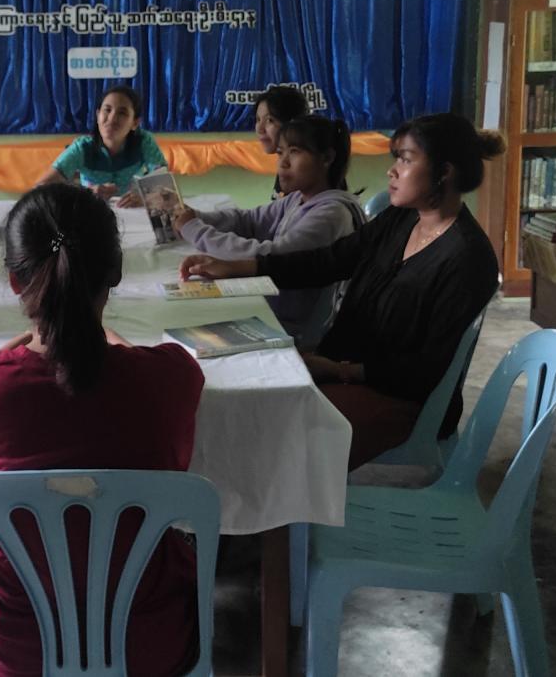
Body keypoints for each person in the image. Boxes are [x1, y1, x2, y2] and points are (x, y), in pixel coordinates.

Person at [0, 183, 205, 677]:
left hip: (14, 645)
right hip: (148, 639)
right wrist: (112, 340)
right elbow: (146, 372)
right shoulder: (171, 378)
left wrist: (24, 344)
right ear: (115, 273)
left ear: (15, 281)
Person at [180, 112, 502, 470]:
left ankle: (280, 506)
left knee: (266, 434)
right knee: (227, 392)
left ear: (445, 172)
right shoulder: (402, 219)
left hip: (398, 397)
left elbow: (425, 370)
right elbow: (329, 260)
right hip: (343, 367)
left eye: (406, 159)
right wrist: (239, 267)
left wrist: (339, 370)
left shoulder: (467, 258)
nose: (392, 171)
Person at [172, 116, 364, 349]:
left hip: (293, 329)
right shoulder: (298, 198)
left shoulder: (331, 214)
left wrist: (195, 229)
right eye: (280, 153)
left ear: (327, 158)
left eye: (294, 152)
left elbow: (270, 257)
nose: (283, 163)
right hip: (273, 308)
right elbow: (249, 221)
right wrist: (195, 217)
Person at [38, 85, 167, 208]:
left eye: (122, 113)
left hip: (133, 212)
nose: (112, 118)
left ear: (135, 123)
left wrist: (145, 197)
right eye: (107, 110)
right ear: (98, 115)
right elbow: (41, 188)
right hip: (91, 210)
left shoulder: (144, 141)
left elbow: (166, 185)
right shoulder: (82, 148)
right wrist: (86, 193)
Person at [252, 85, 310, 198]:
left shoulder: (304, 171)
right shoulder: (287, 162)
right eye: (258, 119)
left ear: (292, 122)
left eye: (270, 120)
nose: (260, 129)